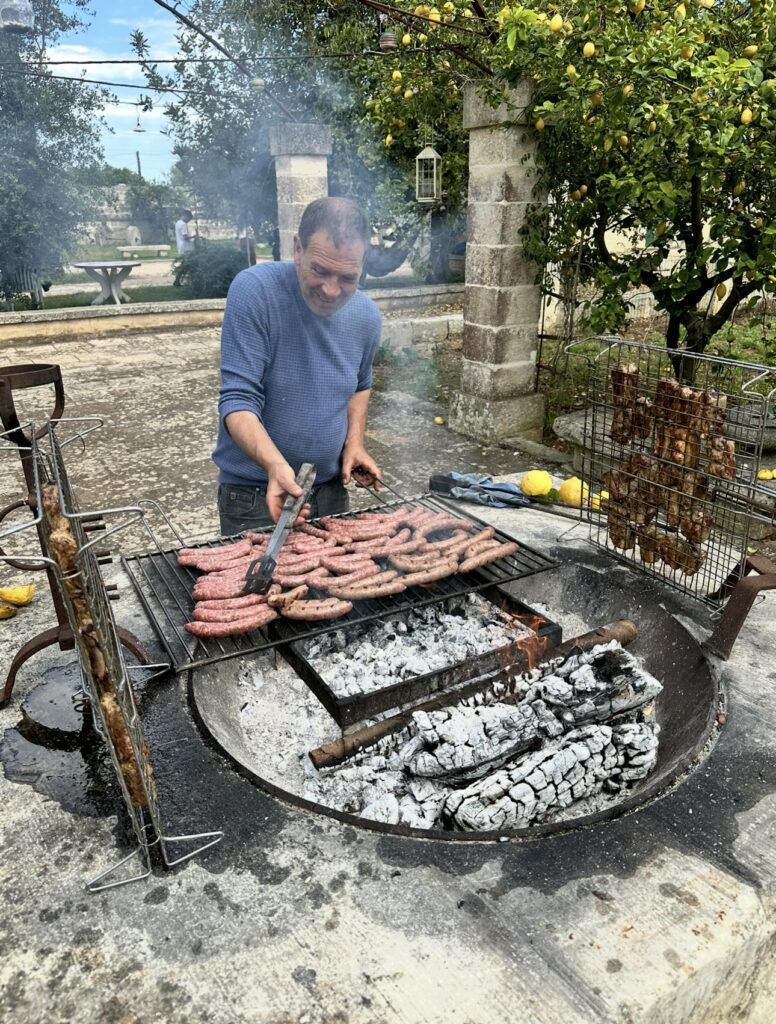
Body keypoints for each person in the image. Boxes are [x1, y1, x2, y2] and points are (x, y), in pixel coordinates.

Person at [213, 196, 382, 534]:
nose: (332, 290)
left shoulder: (367, 316)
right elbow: (237, 401)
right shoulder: (255, 292)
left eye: (348, 277)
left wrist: (355, 443)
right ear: (298, 249)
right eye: (320, 271)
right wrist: (275, 466)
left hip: (331, 492)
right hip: (256, 494)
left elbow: (359, 387)